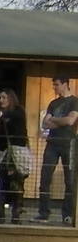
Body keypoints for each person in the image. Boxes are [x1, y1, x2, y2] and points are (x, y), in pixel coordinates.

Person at [37, 76, 78, 224]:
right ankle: (43, 212)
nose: (54, 88)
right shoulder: (53, 103)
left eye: (57, 85)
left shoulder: (74, 101)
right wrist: (60, 121)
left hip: (69, 144)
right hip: (52, 143)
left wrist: (54, 120)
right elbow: (45, 123)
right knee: (45, 177)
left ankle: (67, 214)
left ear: (65, 84)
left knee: (70, 180)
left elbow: (71, 121)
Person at [0, 87, 30, 223]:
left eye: (4, 97)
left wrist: (3, 115)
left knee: (17, 183)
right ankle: (1, 214)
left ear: (10, 98)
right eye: (0, 98)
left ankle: (16, 214)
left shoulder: (17, 111)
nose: (1, 100)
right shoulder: (0, 115)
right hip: (3, 153)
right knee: (3, 182)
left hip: (17, 152)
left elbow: (19, 126)